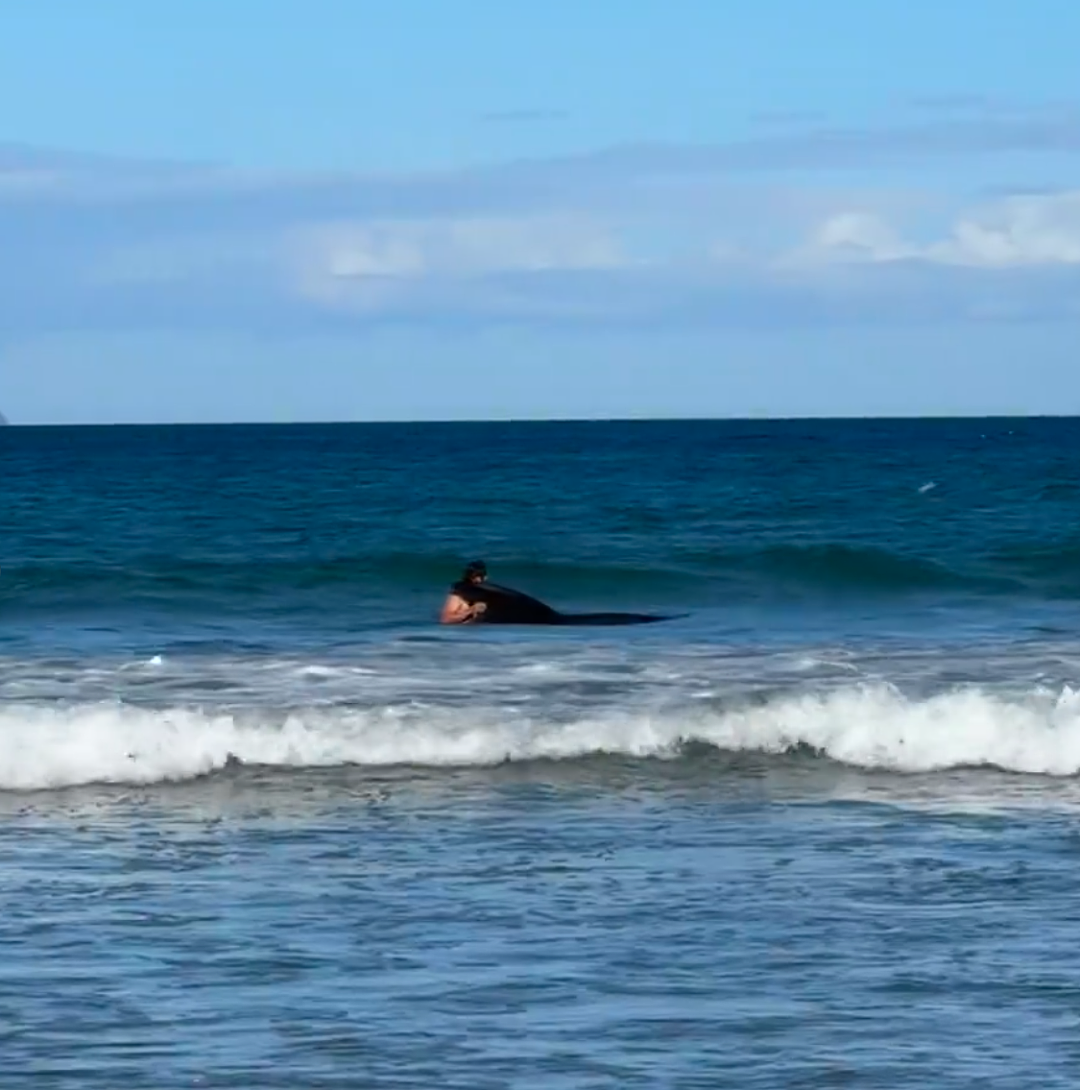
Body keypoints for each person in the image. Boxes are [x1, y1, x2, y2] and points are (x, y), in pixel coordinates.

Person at [439, 559, 674, 626]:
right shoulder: (460, 593)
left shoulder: (482, 591)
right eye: (477, 576)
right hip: (461, 637)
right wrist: (470, 610)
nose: (479, 580)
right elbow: (446, 619)